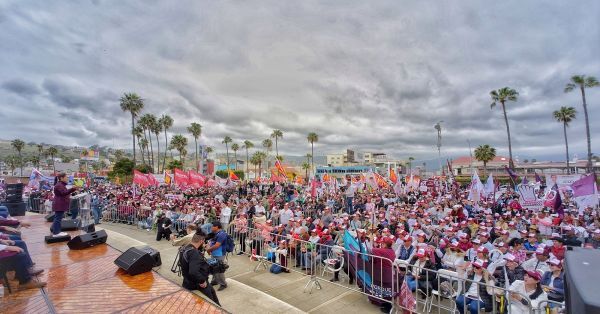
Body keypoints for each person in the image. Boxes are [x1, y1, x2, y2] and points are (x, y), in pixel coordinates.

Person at [179, 233, 221, 306]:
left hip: (187, 281)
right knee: (211, 304)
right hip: (197, 284)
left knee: (212, 292)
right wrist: (202, 281)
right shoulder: (194, 253)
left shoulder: (185, 248)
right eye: (204, 242)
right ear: (201, 241)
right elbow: (193, 272)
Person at [206, 221, 228, 291]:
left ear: (217, 227)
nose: (211, 228)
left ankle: (223, 284)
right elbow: (211, 242)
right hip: (214, 253)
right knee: (213, 267)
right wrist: (209, 248)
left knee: (219, 269)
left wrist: (209, 250)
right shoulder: (216, 233)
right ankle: (215, 281)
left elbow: (217, 245)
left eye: (213, 226)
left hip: (220, 254)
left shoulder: (222, 234)